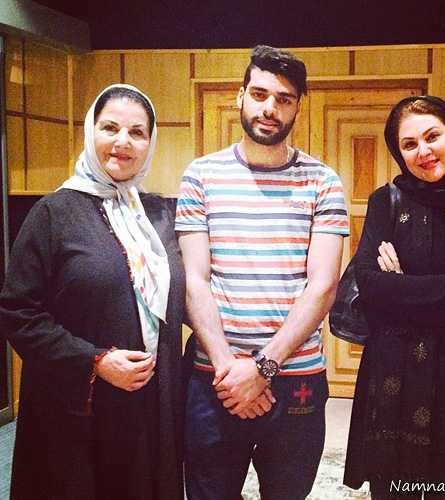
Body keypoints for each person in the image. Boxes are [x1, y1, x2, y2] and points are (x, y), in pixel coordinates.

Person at [175, 45, 348, 500]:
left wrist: (264, 367)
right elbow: (194, 280)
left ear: (298, 106)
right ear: (241, 96)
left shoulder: (323, 181)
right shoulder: (200, 176)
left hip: (296, 379)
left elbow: (323, 285)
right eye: (259, 94)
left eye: (284, 99)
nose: (270, 108)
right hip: (216, 377)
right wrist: (230, 369)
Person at [0, 84, 185, 500]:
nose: (123, 142)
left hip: (152, 402)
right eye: (110, 128)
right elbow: (17, 312)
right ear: (91, 131)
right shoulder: (53, 213)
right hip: (81, 405)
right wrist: (95, 361)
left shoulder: (157, 215)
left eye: (137, 132)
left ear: (150, 143)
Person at [343, 95, 445, 499]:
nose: (423, 151)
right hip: (396, 379)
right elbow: (370, 284)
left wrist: (404, 291)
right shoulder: (386, 203)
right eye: (409, 144)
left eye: (432, 136)